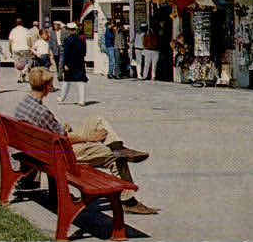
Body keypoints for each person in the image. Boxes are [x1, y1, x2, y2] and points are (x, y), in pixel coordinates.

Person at [14, 67, 158, 215]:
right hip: (60, 154)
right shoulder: (42, 112)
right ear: (46, 87)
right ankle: (128, 201)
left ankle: (118, 147)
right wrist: (89, 139)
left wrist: (62, 129)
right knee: (113, 156)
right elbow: (62, 139)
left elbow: (53, 132)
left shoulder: (24, 104)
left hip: (45, 149)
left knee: (96, 120)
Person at [58, 21, 88, 105]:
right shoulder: (81, 40)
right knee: (81, 82)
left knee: (66, 81)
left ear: (68, 30)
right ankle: (81, 100)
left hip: (70, 63)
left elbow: (66, 53)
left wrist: (65, 64)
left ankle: (61, 99)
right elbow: (84, 52)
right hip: (79, 63)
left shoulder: (67, 40)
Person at [8, 17, 31, 83]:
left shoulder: (13, 31)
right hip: (25, 48)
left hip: (16, 49)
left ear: (16, 23)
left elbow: (10, 41)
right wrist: (30, 48)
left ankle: (19, 77)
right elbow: (29, 40)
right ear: (22, 23)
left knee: (17, 63)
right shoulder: (26, 30)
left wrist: (10, 50)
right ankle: (24, 72)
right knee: (26, 62)